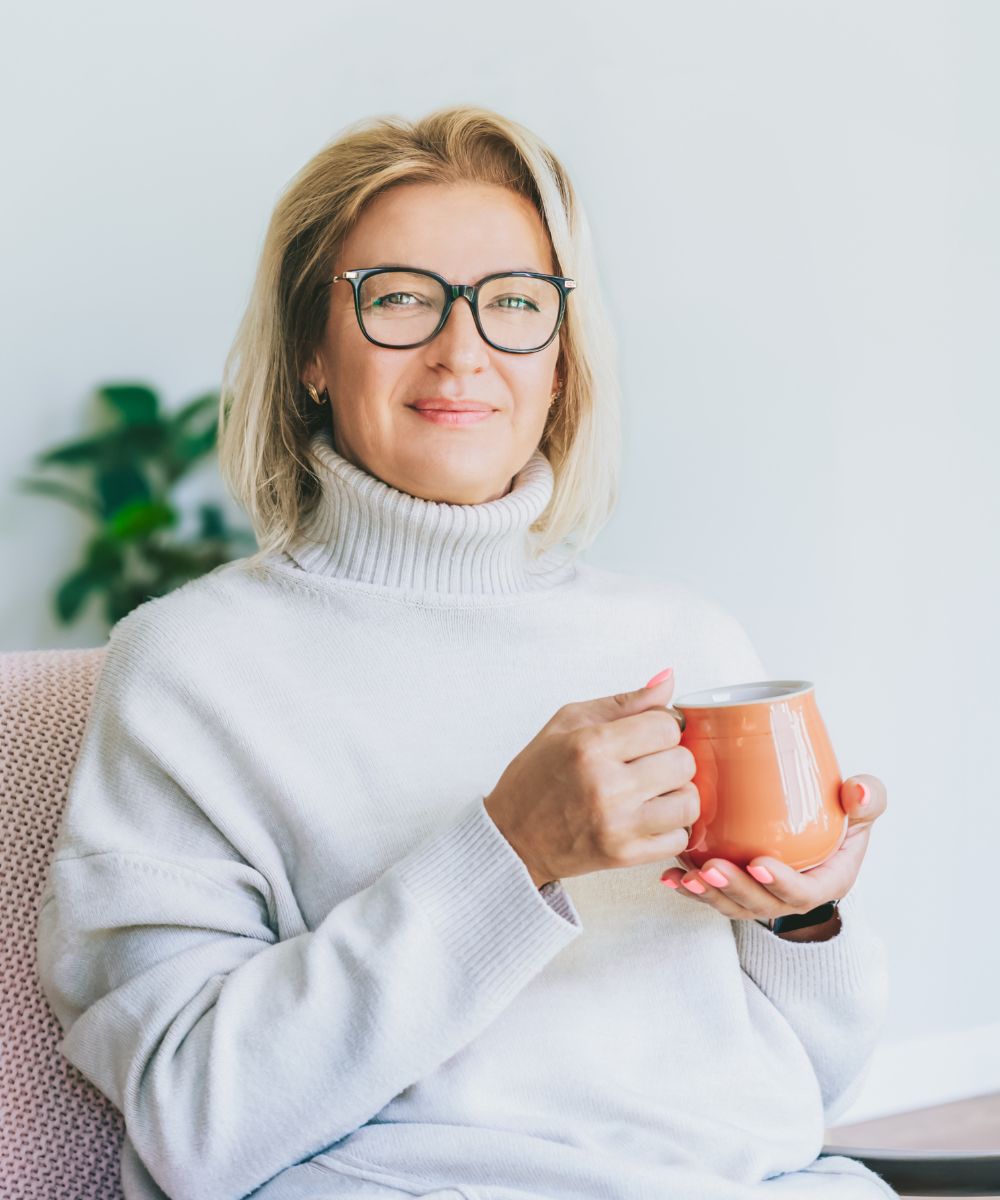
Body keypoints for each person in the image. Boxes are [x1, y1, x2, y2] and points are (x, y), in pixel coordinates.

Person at [36, 104, 893, 1200]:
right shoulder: (189, 668)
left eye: (515, 306)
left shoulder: (685, 643)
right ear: (309, 348)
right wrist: (512, 853)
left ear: (561, 362)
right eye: (398, 299)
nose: (462, 350)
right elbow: (193, 1127)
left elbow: (802, 1091)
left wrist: (800, 916)